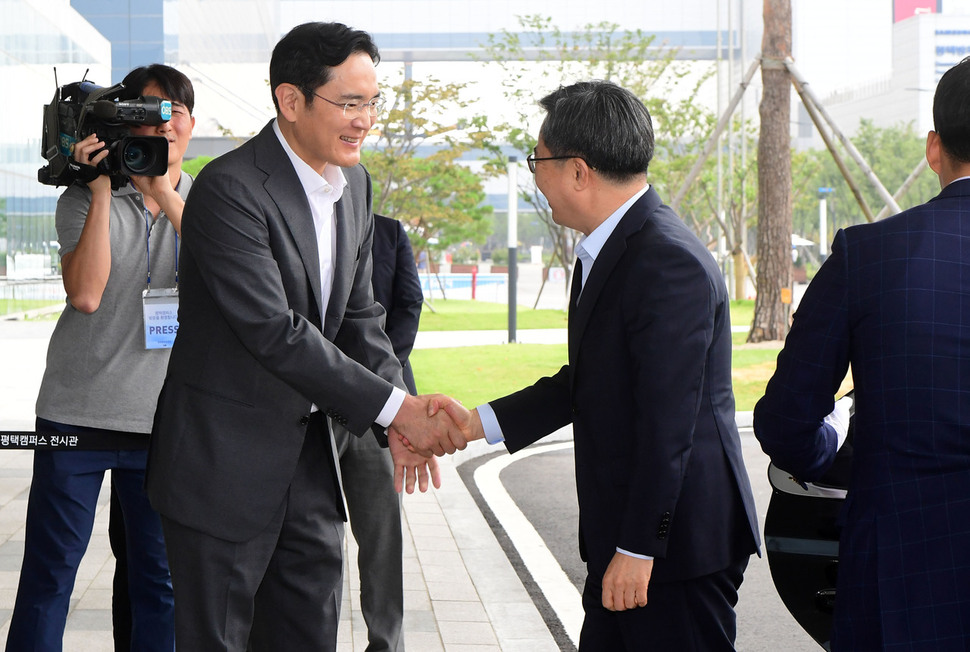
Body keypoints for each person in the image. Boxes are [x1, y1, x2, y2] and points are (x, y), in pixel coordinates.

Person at [146, 22, 464, 652]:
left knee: (309, 635)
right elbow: (276, 332)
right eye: (349, 103)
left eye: (372, 102)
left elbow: (359, 316)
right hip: (223, 468)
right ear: (290, 101)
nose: (364, 120)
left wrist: (399, 417)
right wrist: (401, 409)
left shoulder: (356, 187)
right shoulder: (229, 189)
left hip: (311, 466)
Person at [431, 80, 761, 651]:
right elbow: (588, 382)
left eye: (538, 160)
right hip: (631, 540)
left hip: (672, 548)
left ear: (578, 170)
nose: (535, 176)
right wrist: (473, 423)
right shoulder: (614, 248)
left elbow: (669, 423)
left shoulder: (664, 261)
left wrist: (639, 548)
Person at [753, 55, 970, 650]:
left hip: (899, 568)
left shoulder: (867, 255)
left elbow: (787, 420)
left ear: (934, 148)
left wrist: (835, 454)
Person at [6, 63, 195, 652]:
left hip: (161, 426)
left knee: (158, 582)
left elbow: (227, 281)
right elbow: (85, 295)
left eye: (174, 115)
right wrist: (102, 187)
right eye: (146, 115)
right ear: (122, 124)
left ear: (191, 124)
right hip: (72, 417)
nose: (162, 128)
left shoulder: (212, 203)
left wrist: (164, 190)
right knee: (50, 575)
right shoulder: (82, 198)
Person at [334, 213, 423, 652]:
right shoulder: (284, 218)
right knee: (317, 536)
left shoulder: (387, 231)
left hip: (386, 409)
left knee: (382, 537)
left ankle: (387, 644)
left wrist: (382, 379)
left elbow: (409, 303)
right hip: (314, 405)